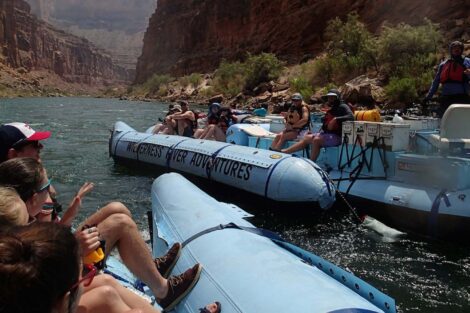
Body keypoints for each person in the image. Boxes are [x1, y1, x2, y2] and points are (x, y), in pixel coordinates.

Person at [0, 123, 202, 311]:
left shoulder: (22, 185)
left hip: (56, 249)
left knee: (117, 208)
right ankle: (163, 291)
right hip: (51, 269)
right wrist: (76, 246)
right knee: (120, 223)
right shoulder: (14, 209)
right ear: (13, 154)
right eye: (34, 145)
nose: (40, 148)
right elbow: (39, 259)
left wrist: (69, 211)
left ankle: (149, 266)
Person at [281, 89, 354, 161]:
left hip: (337, 136)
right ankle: (286, 151)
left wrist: (335, 119)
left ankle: (311, 162)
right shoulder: (333, 108)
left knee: (316, 140)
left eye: (333, 97)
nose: (330, 99)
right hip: (326, 134)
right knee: (307, 138)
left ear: (337, 97)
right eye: (329, 97)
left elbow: (351, 116)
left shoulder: (343, 106)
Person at [425, 40, 470, 117]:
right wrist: (428, 97)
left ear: (461, 50)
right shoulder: (443, 64)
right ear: (451, 50)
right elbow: (436, 82)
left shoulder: (467, 62)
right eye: (454, 48)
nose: (456, 50)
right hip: (446, 96)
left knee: (463, 118)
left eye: (459, 48)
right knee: (444, 118)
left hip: (462, 96)